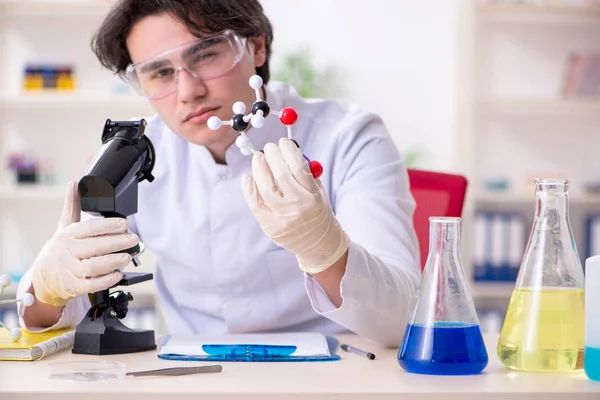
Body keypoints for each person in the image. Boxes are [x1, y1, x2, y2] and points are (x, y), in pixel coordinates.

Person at [17, 0, 420, 347]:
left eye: (206, 54)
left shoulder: (349, 138)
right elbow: (53, 313)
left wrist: (324, 249)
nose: (188, 91)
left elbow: (402, 316)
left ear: (257, 46)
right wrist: (50, 284)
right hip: (194, 376)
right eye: (159, 73)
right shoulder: (135, 150)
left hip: (336, 374)